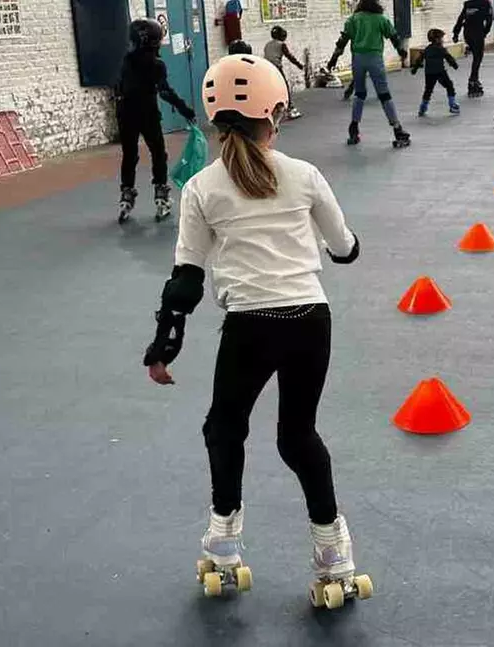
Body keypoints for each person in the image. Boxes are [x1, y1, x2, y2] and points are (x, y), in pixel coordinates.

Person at [143, 53, 372, 607]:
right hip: (310, 321)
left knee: (224, 430)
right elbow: (345, 250)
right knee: (299, 437)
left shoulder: (201, 187)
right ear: (276, 112)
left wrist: (164, 345)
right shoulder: (304, 174)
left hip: (250, 326)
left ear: (215, 117)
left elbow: (186, 282)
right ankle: (333, 553)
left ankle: (223, 545)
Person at [115, 18, 196, 223]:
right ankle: (161, 196)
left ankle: (126, 195)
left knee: (129, 154)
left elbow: (121, 86)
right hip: (147, 113)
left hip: (125, 113)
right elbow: (165, 91)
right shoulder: (156, 64)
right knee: (158, 152)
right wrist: (185, 110)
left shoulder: (126, 60)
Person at [326, 0, 411, 148]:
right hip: (375, 59)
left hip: (358, 59)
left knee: (359, 94)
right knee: (384, 95)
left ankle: (354, 128)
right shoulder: (380, 19)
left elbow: (342, 41)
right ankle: (397, 129)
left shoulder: (353, 19)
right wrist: (401, 51)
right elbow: (393, 36)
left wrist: (333, 59)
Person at [411, 28, 460, 117]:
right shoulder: (441, 49)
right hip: (440, 72)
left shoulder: (427, 49)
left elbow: (419, 60)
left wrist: (414, 69)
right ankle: (452, 105)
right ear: (437, 39)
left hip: (429, 73)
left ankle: (423, 107)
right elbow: (448, 57)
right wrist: (454, 65)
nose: (442, 40)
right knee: (449, 86)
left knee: (428, 90)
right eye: (441, 38)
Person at [451, 0, 492, 97]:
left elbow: (460, 19)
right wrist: (484, 33)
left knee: (476, 55)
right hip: (478, 32)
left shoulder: (468, 4)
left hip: (467, 33)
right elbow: (489, 20)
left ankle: (475, 79)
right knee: (478, 57)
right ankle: (473, 80)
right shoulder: (486, 3)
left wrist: (456, 34)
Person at [264, 25, 305, 120]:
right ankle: (290, 108)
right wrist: (299, 65)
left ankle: (272, 108)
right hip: (276, 67)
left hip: (266, 68)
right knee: (285, 88)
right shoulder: (281, 45)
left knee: (271, 89)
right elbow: (289, 56)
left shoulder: (268, 44)